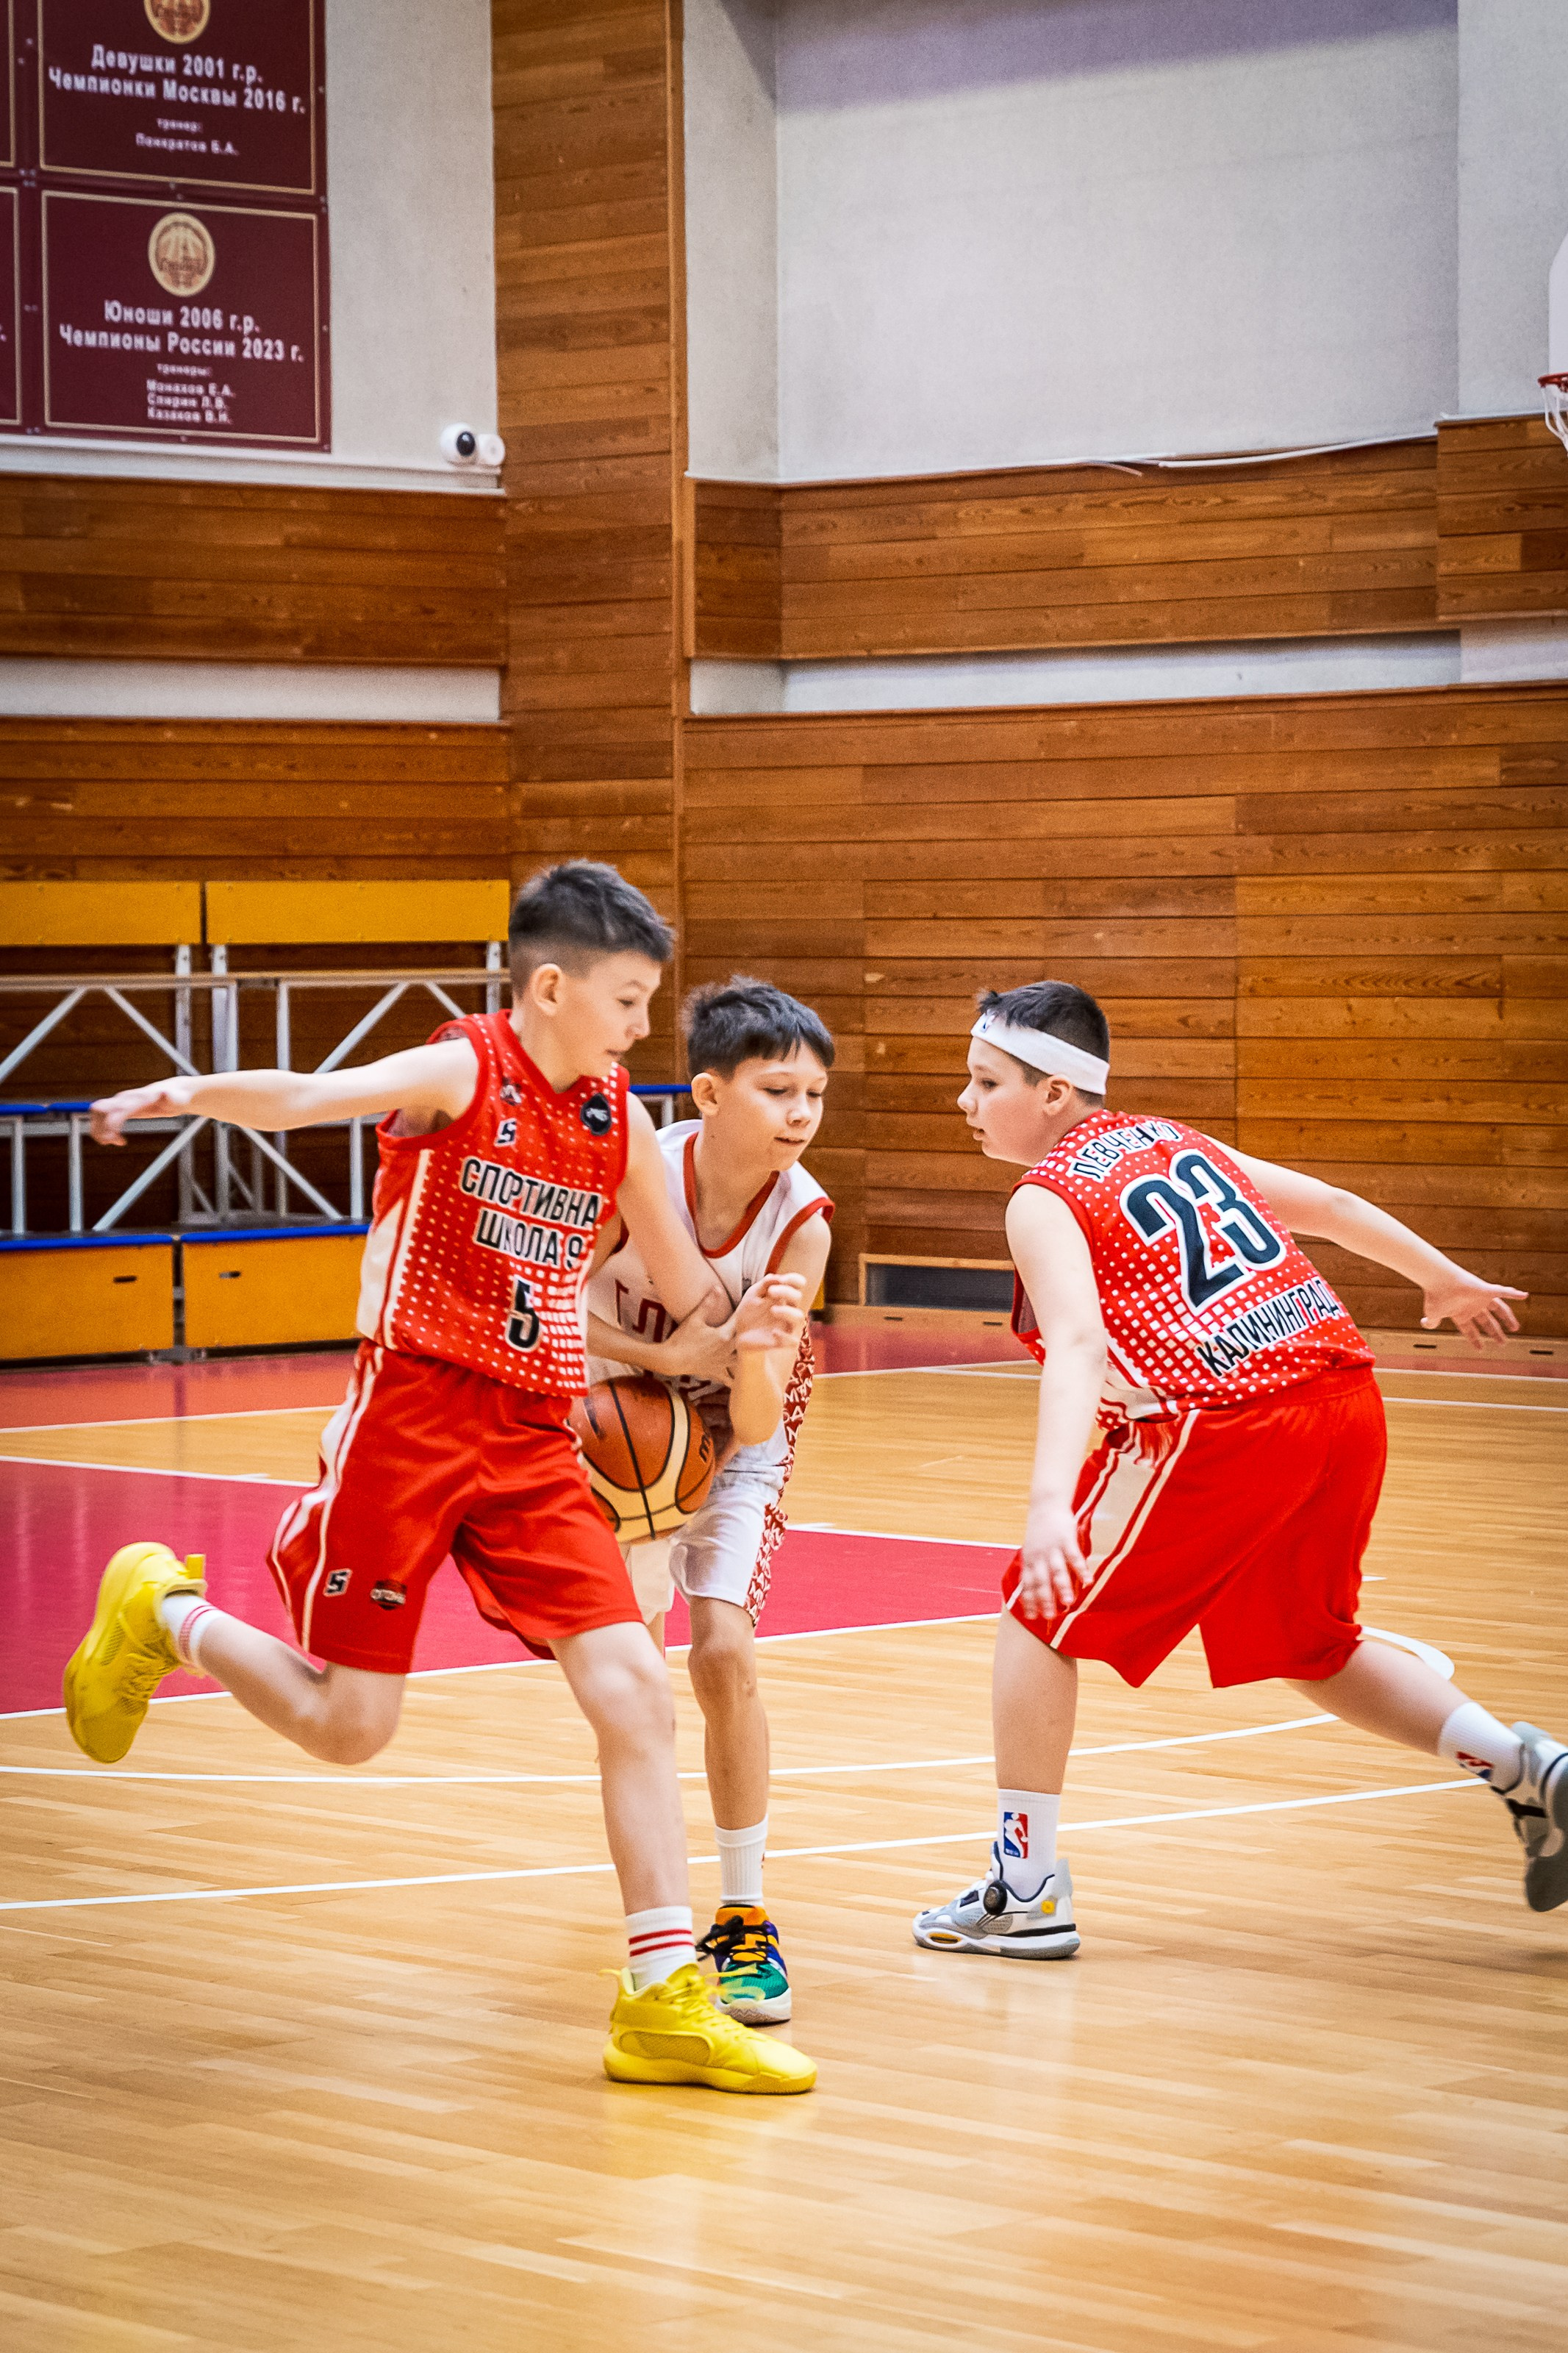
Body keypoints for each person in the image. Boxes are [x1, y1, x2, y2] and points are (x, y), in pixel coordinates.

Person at [65, 861, 817, 2094]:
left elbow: (689, 1289)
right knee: (348, 1727)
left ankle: (660, 1996)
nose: (640, 1029)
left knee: (633, 1685)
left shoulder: (614, 1118)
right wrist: (186, 1087)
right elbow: (310, 1095)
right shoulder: (460, 1067)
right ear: (553, 986)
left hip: (531, 1434)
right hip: (412, 1413)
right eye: (627, 1002)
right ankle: (162, 1611)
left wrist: (757, 1319)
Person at [913, 979, 1568, 1960]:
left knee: (1034, 1614)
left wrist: (1051, 1502)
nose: (964, 1103)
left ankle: (1025, 1888)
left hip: (1223, 1422)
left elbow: (1082, 1344)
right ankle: (1531, 1770)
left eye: (984, 1081)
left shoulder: (1044, 1195)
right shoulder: (1176, 1142)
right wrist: (1438, 1276)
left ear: (1054, 1093)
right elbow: (1335, 1209)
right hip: (1341, 1398)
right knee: (1309, 1642)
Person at [584, 976, 835, 2024]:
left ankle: (742, 1912)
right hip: (617, 1414)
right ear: (707, 1093)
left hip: (729, 1438)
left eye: (815, 1096)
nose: (799, 1115)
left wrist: (763, 1351)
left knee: (722, 1649)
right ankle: (653, 1911)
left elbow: (762, 1422)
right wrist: (660, 1352)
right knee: (632, 1674)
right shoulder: (632, 1176)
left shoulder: (803, 1225)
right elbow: (548, 1313)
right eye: (778, 1090)